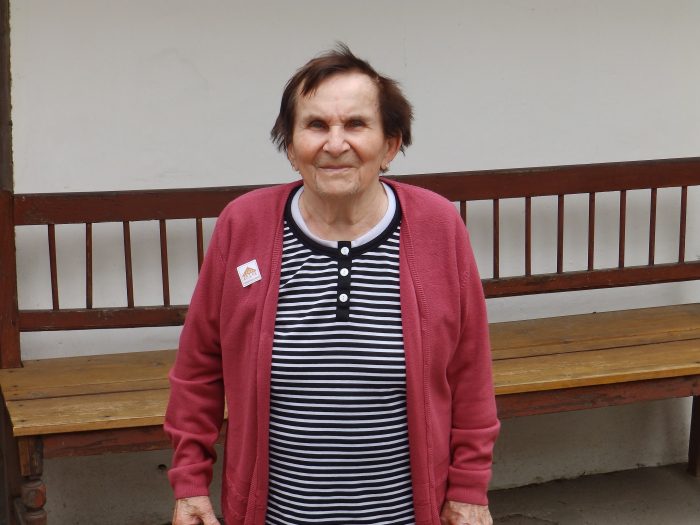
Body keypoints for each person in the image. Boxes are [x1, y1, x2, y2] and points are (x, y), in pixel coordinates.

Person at [165, 44, 500, 525]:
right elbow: (199, 367)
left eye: (356, 125)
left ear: (390, 146)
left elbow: (471, 372)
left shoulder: (437, 226)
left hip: (402, 514)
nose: (335, 143)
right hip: (277, 514)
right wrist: (190, 483)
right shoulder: (243, 225)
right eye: (316, 125)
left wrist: (469, 489)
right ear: (290, 145)